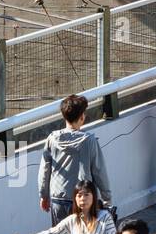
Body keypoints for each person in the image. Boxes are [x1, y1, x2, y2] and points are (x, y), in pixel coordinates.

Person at [40, 93, 111, 225]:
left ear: (64, 116)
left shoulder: (52, 138)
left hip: (58, 197)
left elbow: (45, 170)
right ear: (82, 117)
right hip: (82, 198)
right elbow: (99, 170)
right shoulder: (89, 140)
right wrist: (107, 198)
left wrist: (44, 195)